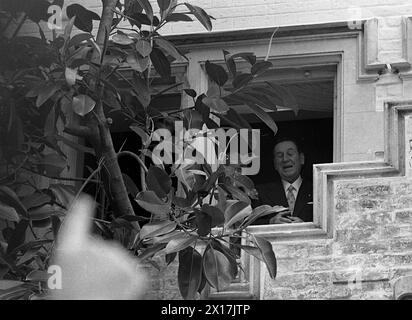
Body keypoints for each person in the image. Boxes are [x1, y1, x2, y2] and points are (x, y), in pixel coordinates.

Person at [253, 137, 313, 224]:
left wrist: (306, 226)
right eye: (280, 155)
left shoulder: (316, 189)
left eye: (290, 153)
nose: (285, 159)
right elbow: (246, 225)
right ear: (275, 164)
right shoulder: (260, 192)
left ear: (301, 159)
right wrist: (271, 222)